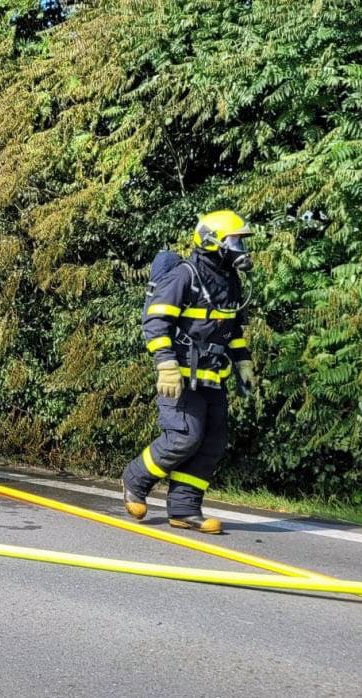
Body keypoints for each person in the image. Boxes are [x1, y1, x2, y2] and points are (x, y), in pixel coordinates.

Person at [121, 210, 257, 534]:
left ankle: (184, 510)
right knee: (184, 437)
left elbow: (232, 329)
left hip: (212, 377)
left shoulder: (230, 282)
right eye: (234, 240)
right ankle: (135, 479)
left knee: (211, 443)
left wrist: (243, 362)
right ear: (211, 242)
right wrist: (166, 365)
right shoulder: (185, 275)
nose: (240, 248)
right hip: (180, 377)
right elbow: (155, 322)